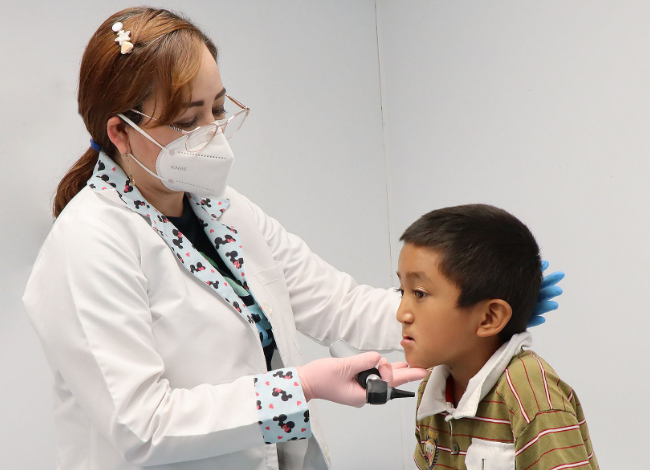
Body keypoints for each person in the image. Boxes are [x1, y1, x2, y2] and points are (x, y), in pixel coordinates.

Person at [22, 7, 562, 470]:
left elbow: (337, 304)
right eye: (189, 120)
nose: (213, 130)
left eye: (218, 107)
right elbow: (141, 425)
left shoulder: (226, 212)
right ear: (120, 132)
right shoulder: (89, 245)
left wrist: (462, 308)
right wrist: (300, 387)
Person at [396, 204, 596, 470]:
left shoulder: (527, 390)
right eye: (402, 292)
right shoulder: (432, 390)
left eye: (419, 293)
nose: (401, 314)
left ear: (489, 318)